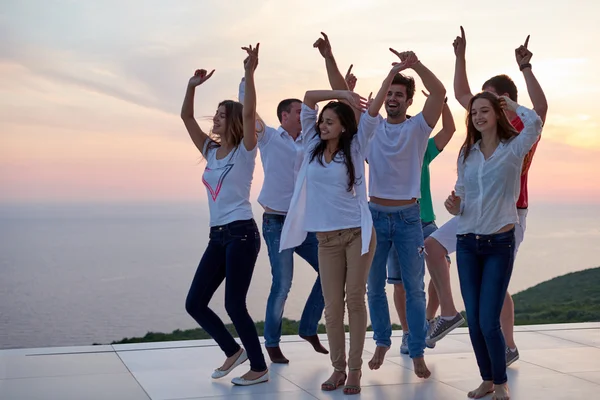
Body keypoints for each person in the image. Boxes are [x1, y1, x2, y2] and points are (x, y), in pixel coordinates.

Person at [280, 52, 417, 395]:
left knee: (355, 300)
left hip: (358, 235)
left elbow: (370, 113)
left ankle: (354, 371)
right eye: (321, 120)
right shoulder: (311, 145)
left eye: (330, 121)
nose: (322, 124)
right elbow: (309, 98)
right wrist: (340, 94)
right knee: (332, 305)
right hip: (325, 238)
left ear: (343, 125)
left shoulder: (356, 146)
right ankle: (338, 368)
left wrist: (393, 74)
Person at [312, 33, 446, 377]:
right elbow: (343, 96)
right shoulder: (368, 131)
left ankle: (416, 351)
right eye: (389, 94)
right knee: (373, 288)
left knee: (414, 289)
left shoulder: (418, 128)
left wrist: (414, 65)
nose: (392, 99)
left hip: (408, 217)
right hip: (372, 216)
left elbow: (441, 93)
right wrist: (330, 56)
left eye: (399, 95)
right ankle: (383, 341)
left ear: (409, 100)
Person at [425, 29, 548, 366]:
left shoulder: (522, 132)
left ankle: (507, 346)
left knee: (495, 283)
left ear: (505, 100)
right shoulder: (481, 125)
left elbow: (540, 108)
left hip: (509, 213)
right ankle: (448, 313)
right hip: (473, 212)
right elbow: (463, 92)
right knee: (434, 247)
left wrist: (525, 69)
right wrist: (460, 55)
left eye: (491, 100)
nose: (479, 108)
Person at [181, 44, 269, 386]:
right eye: (215, 112)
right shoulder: (210, 151)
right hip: (217, 236)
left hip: (242, 233)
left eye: (221, 113)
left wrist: (249, 72)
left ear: (232, 120)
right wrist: (191, 86)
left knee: (234, 304)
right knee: (195, 303)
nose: (215, 117)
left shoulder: (247, 150)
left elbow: (249, 114)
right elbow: (187, 118)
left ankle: (258, 367)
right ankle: (233, 351)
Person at [445, 92, 542, 400]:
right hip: (467, 244)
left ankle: (501, 382)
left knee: (489, 320)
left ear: (496, 114)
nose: (478, 116)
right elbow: (459, 201)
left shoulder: (513, 149)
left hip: (499, 243)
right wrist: (453, 204)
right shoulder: (466, 155)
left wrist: (511, 105)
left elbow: (535, 123)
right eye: (474, 112)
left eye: (485, 110)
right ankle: (487, 380)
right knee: (473, 320)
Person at [238, 80, 327, 365]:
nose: (304, 116)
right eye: (299, 111)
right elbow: (248, 112)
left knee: (329, 271)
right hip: (276, 221)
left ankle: (308, 327)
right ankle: (273, 343)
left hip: (305, 221)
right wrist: (248, 75)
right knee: (283, 282)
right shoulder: (269, 138)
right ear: (284, 116)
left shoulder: (311, 141)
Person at [386, 91, 456, 355]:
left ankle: (426, 321)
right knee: (401, 283)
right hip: (394, 220)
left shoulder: (422, 148)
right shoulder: (384, 142)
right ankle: (407, 333)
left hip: (425, 220)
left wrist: (443, 103)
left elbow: (449, 129)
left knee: (444, 264)